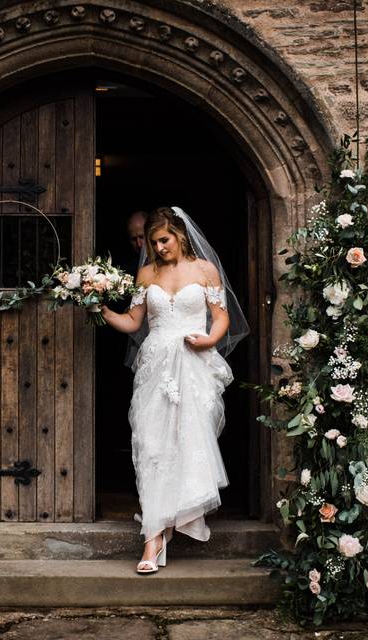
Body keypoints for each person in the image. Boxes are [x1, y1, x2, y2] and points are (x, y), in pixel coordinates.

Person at [97, 206, 249, 574]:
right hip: (156, 366)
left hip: (194, 364)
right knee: (152, 445)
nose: (158, 248)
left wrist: (210, 339)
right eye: (153, 242)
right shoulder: (147, 273)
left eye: (164, 240)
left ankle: (164, 529)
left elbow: (222, 316)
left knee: (187, 442)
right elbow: (134, 322)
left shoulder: (204, 270)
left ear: (180, 235)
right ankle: (153, 538)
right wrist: (99, 308)